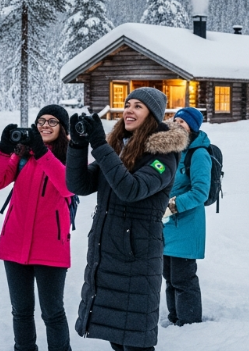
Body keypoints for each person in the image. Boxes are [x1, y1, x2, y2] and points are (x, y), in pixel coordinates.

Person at [67, 87, 187, 351]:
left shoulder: (163, 155)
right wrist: (77, 145)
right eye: (127, 104)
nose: (129, 110)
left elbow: (131, 189)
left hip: (137, 258)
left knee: (135, 342)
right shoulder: (121, 148)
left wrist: (99, 145)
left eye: (138, 106)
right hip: (107, 255)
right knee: (116, 339)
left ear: (152, 115)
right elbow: (80, 184)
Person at [0, 105, 75, 351]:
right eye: (41, 121)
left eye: (52, 121)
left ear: (63, 128)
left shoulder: (72, 156)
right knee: (21, 312)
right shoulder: (24, 155)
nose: (45, 125)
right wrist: (3, 150)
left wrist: (43, 151)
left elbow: (67, 186)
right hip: (14, 243)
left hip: (51, 247)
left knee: (52, 313)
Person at [162, 107, 210, 326]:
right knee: (170, 278)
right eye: (175, 119)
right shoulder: (171, 149)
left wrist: (172, 205)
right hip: (167, 225)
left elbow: (201, 192)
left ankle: (189, 324)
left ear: (193, 127)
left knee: (183, 279)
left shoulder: (198, 154)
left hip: (187, 225)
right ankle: (175, 320)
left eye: (183, 122)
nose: (177, 123)